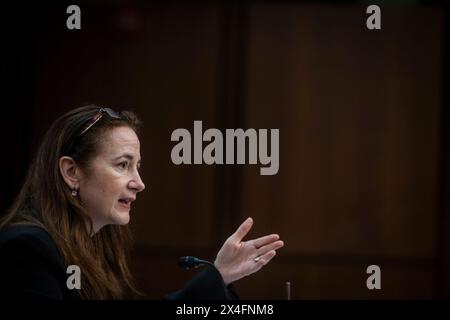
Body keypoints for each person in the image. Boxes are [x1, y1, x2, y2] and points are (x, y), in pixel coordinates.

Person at [0, 105, 284, 299]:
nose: (139, 182)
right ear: (72, 172)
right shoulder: (27, 249)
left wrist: (219, 276)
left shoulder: (92, 247)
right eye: (123, 165)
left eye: (137, 166)